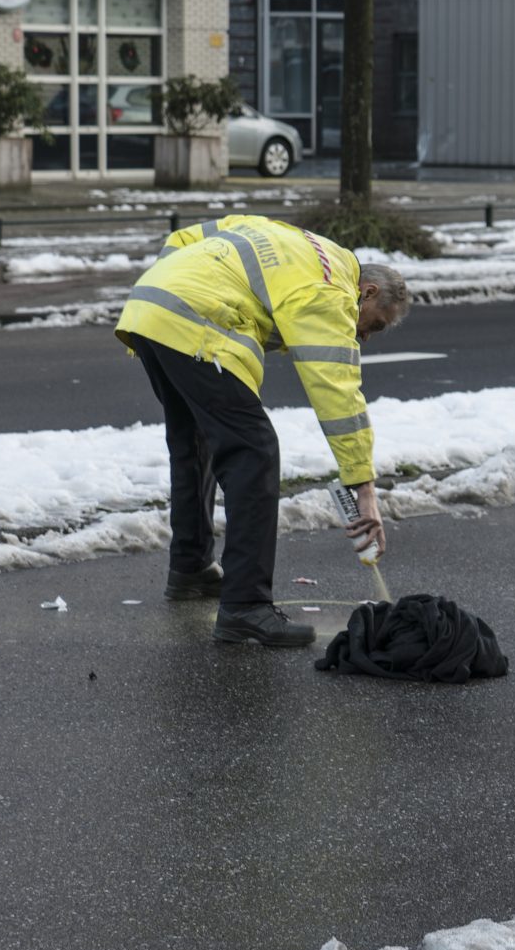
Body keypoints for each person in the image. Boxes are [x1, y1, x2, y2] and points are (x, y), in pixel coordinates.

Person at [116, 215, 410, 647]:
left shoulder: (304, 245)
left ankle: (191, 570)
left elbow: (188, 237)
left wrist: (173, 286)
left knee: (195, 442)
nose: (364, 336)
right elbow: (338, 392)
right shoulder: (332, 291)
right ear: (367, 292)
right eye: (374, 324)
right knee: (254, 450)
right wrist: (364, 488)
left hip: (150, 306)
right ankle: (246, 607)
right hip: (197, 318)